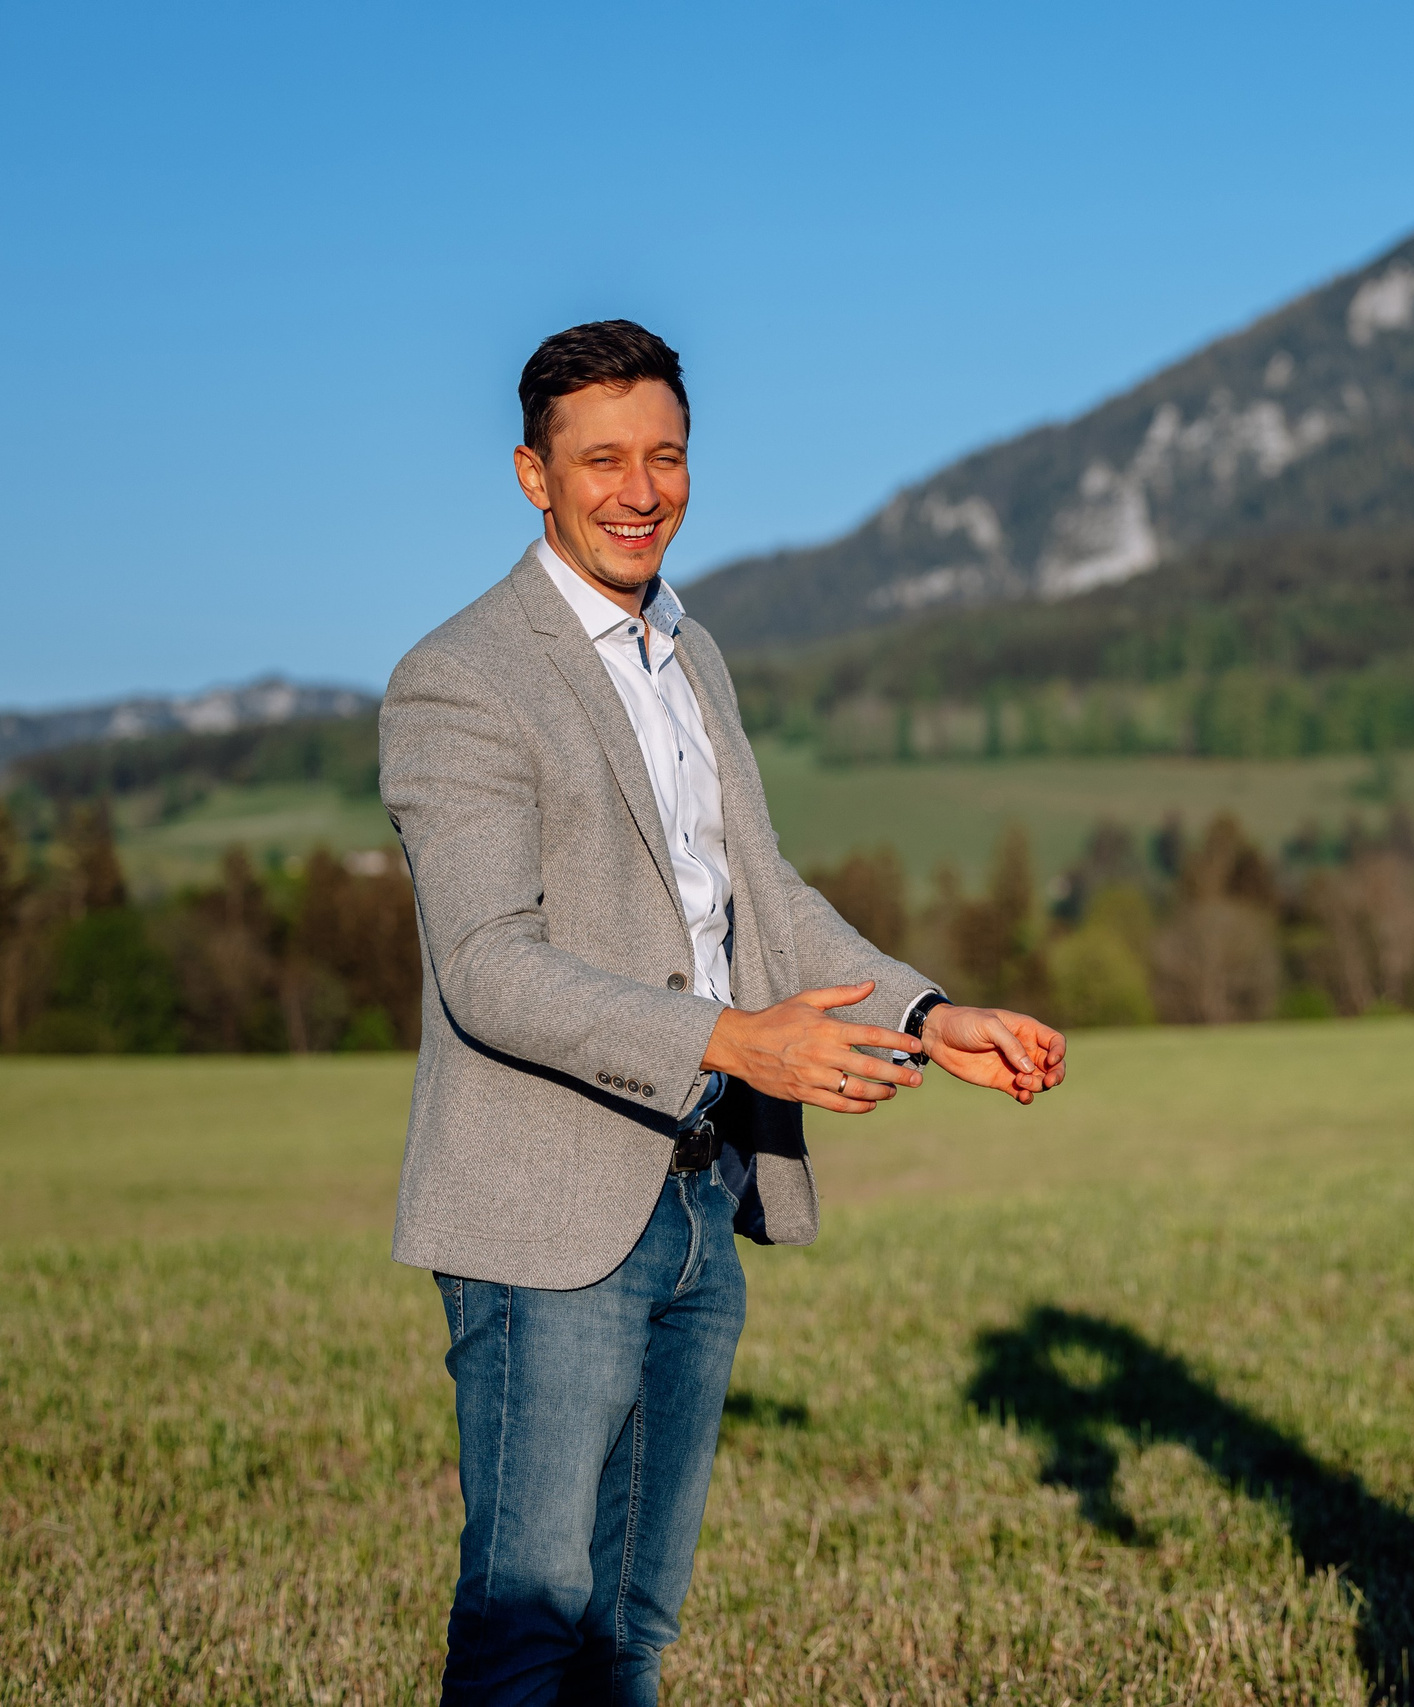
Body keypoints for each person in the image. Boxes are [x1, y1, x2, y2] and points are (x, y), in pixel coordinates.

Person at [379, 319, 1067, 1705]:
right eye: (603, 460)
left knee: (630, 1629)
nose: (641, 490)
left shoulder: (695, 655)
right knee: (530, 1625)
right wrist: (733, 1040)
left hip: (700, 1202)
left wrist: (930, 1012)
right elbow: (488, 967)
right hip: (545, 1218)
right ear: (533, 473)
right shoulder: (460, 678)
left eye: (667, 455)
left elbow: (766, 901)